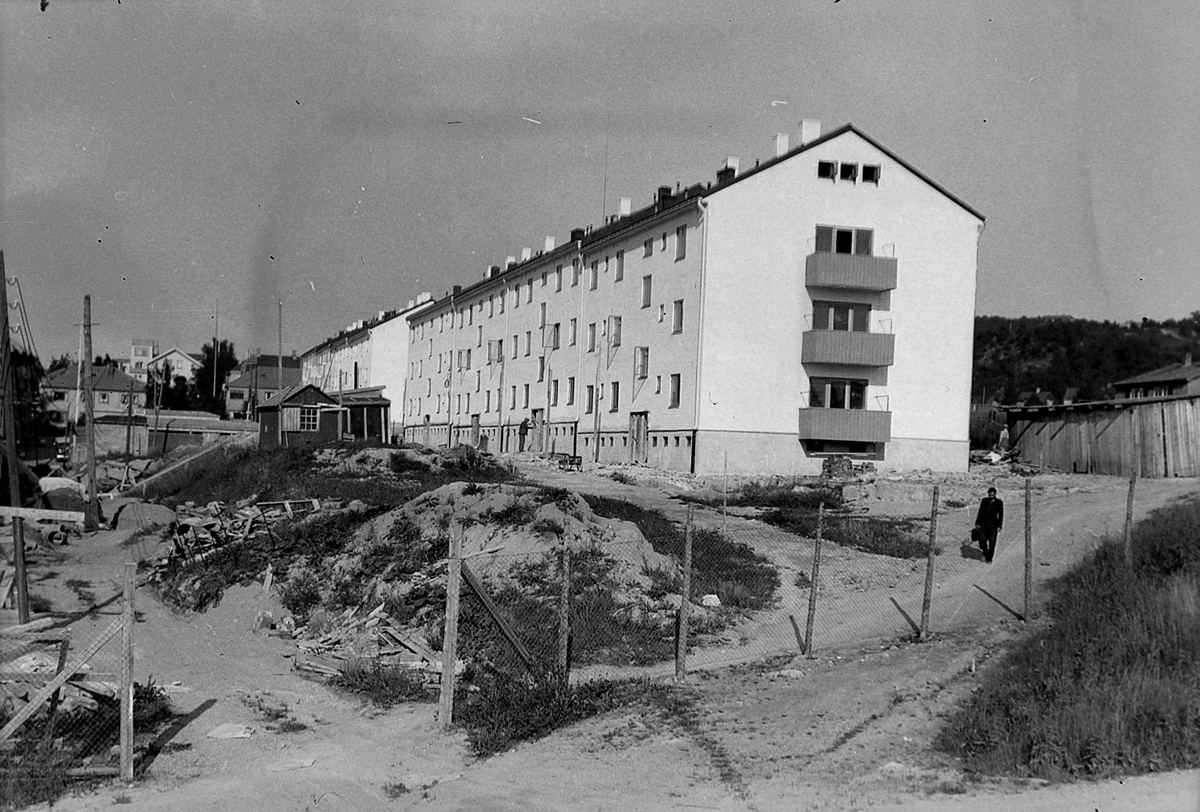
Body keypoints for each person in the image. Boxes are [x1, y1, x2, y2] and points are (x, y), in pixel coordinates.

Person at [974, 486, 1004, 563]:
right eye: (990, 495)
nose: (991, 496)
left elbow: (1001, 515)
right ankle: (985, 551)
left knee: (992, 542)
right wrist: (977, 522)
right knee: (982, 539)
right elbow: (980, 511)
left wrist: (1000, 526)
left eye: (992, 495)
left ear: (995, 494)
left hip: (993, 525)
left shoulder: (999, 502)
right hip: (984, 523)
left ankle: (989, 558)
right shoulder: (984, 501)